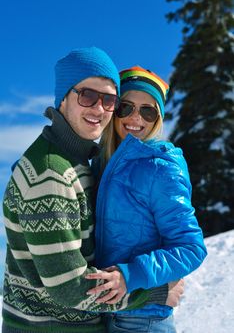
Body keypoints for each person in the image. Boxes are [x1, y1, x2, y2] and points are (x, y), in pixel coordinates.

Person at [2, 49, 183, 333]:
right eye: (87, 95)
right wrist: (156, 293)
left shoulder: (79, 163)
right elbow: (70, 287)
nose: (99, 109)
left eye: (110, 100)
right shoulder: (52, 174)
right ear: (63, 96)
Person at [86, 66, 207, 332]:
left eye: (148, 111)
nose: (135, 118)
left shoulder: (161, 167)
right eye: (126, 107)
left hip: (142, 320)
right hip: (108, 315)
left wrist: (130, 275)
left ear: (158, 119)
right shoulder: (102, 165)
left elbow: (191, 247)